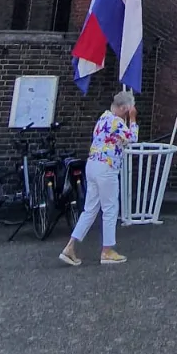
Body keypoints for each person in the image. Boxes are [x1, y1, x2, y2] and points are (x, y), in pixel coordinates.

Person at [60, 90, 137, 266]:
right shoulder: (116, 121)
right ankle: (107, 250)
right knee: (110, 208)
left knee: (90, 209)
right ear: (124, 108)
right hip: (107, 167)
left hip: (92, 164)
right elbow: (132, 138)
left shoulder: (103, 118)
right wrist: (133, 120)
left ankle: (70, 247)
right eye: (128, 110)